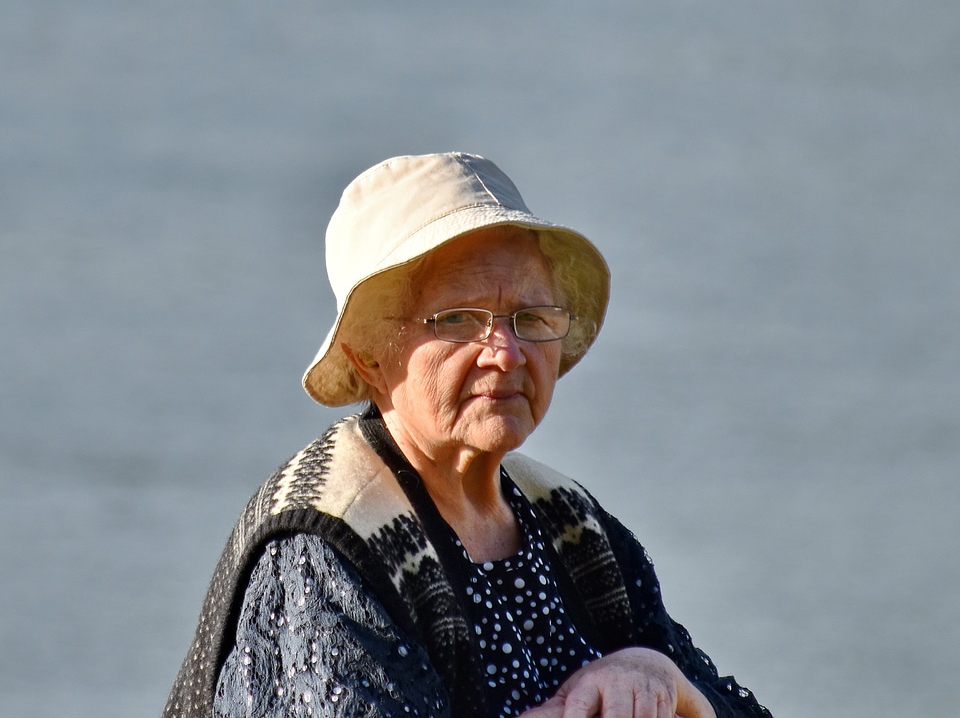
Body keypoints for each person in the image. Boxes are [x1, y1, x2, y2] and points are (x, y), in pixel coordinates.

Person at [163, 152, 772, 718]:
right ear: (371, 355)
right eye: (457, 320)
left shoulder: (573, 526)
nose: (505, 353)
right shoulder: (327, 547)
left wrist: (660, 674)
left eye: (530, 318)